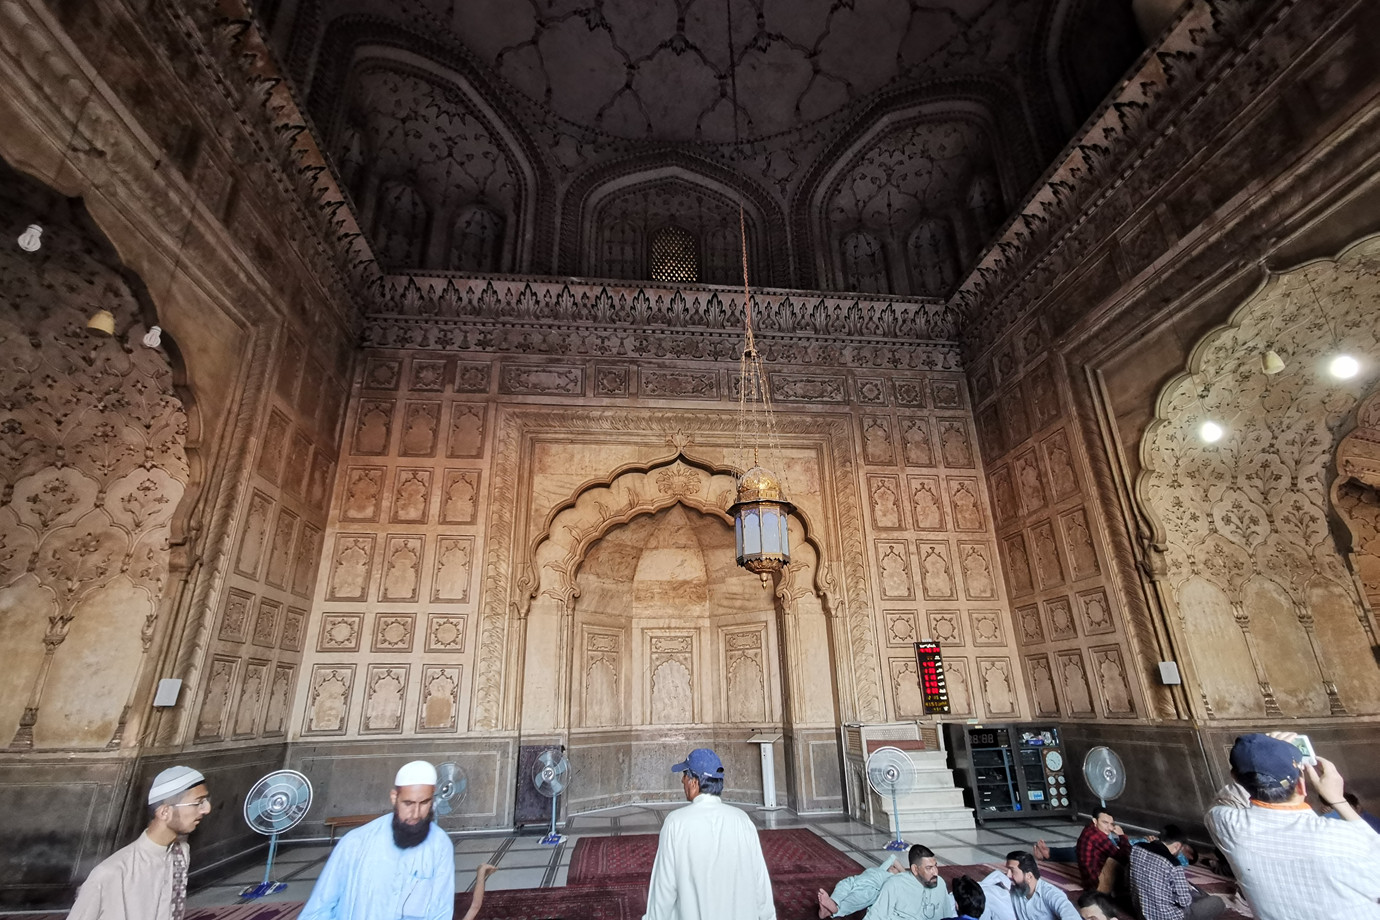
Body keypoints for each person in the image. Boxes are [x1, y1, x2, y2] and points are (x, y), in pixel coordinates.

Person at [1204, 731, 1380, 920]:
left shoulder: (1227, 825)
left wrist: (1261, 758)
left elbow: (1222, 802)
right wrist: (1336, 797)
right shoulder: (1347, 837)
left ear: (1237, 778)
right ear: (1301, 786)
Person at [299, 760, 456, 920]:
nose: (415, 814)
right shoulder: (355, 843)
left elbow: (441, 911)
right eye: (408, 803)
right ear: (394, 798)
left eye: (424, 803)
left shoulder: (440, 845)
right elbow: (318, 910)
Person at [644, 748, 774, 920]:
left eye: (685, 775)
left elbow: (663, 890)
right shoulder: (742, 821)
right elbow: (761, 885)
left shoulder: (676, 823)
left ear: (694, 782)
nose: (682, 780)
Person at [69, 765, 211, 920]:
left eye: (206, 801)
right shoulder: (110, 873)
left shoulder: (180, 853)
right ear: (165, 812)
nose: (206, 809)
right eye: (198, 802)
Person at [1127, 827, 1223, 920]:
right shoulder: (1173, 864)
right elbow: (1184, 902)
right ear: (1177, 845)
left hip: (1141, 914)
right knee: (1217, 902)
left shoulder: (1136, 848)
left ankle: (1201, 899)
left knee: (1189, 887)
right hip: (1169, 917)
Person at [864, 844, 955, 919]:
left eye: (935, 866)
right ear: (915, 869)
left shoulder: (940, 884)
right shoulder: (895, 885)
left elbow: (948, 916)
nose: (935, 872)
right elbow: (875, 916)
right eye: (929, 868)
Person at [817, 854, 903, 918]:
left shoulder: (893, 879)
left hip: (870, 889)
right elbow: (893, 858)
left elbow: (907, 878)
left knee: (855, 900)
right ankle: (832, 903)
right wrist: (898, 869)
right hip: (855, 880)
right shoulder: (882, 869)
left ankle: (834, 910)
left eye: (896, 869)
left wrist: (903, 872)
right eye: (893, 866)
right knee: (842, 886)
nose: (893, 867)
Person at [1003, 851, 1079, 920]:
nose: (1008, 875)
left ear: (1029, 876)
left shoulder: (1052, 894)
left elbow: (1073, 917)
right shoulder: (1013, 892)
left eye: (1012, 870)